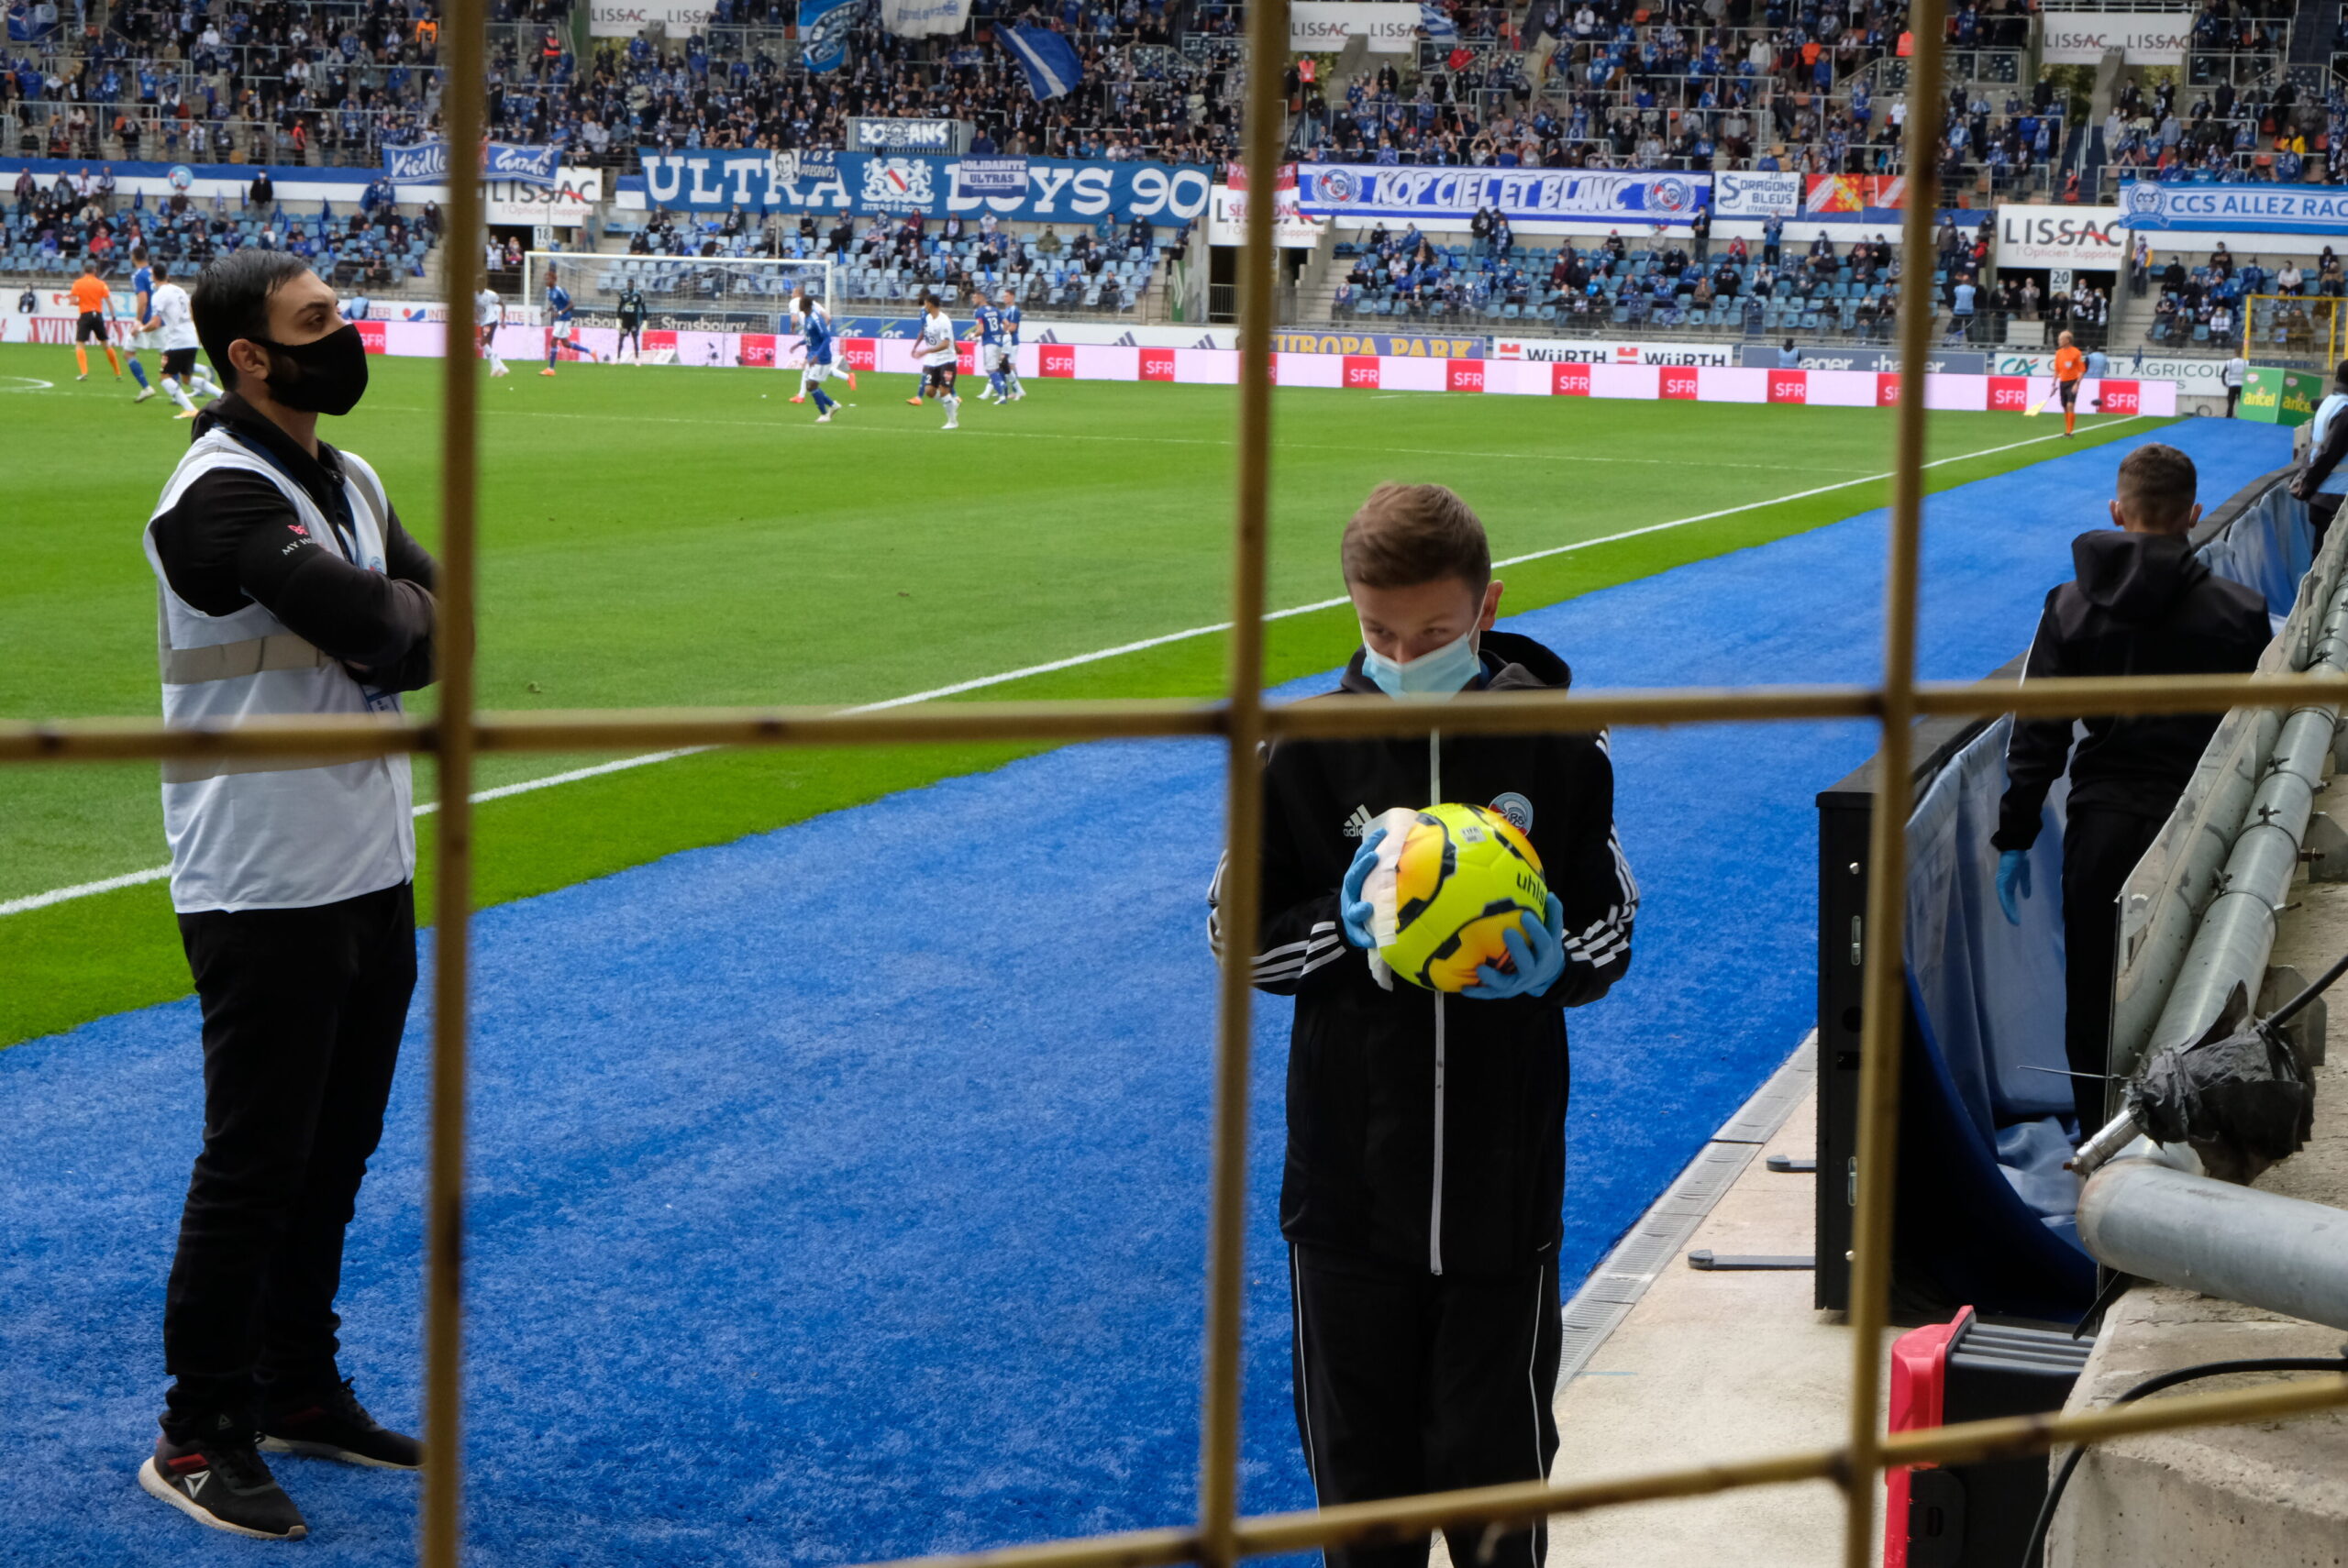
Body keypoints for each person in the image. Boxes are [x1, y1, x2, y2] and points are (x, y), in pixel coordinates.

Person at [1208, 482, 1635, 1568]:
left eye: (1435, 633)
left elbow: (1612, 928)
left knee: (1498, 1502)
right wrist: (1352, 931)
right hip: (1347, 1206)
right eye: (1378, 632)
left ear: (1486, 607)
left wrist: (1551, 964)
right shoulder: (1300, 748)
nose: (1404, 652)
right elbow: (1236, 936)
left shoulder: (1559, 744)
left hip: (1504, 1199)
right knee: (1363, 1510)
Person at [138, 248, 437, 1541]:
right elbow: (382, 628)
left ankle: (299, 1387)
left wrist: (400, 613)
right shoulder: (212, 494)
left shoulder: (351, 477)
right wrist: (395, 613)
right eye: (318, 321)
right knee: (254, 1163)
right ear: (249, 354)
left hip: (370, 857)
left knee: (339, 1152)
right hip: (262, 874)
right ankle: (201, 1428)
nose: (347, 333)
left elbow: (437, 630)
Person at [1991, 445, 2268, 1136]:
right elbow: (2250, 736)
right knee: (2201, 980)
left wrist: (2014, 836)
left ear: (2118, 513)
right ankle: (2188, 1135)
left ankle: (2099, 1140)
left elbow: (2039, 736)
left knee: (2092, 995)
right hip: (2202, 822)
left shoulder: (2069, 606)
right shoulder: (2240, 611)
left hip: (2105, 830)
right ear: (2194, 516)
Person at [143, 260, 225, 417]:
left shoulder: (159, 295)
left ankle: (190, 409)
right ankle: (223, 396)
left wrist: (140, 329)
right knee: (186, 379)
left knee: (165, 377)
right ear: (167, 275)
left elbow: (155, 323)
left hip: (177, 341)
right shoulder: (179, 290)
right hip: (190, 336)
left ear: (153, 277)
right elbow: (191, 311)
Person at [2291, 359, 2348, 555]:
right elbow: (2329, 453)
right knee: (2331, 563)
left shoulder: (2329, 403)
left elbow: (2313, 449)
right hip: (2337, 497)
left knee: (2321, 558)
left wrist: (2304, 481)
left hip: (2323, 496)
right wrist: (2308, 485)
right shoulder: (2346, 410)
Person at [789, 287, 842, 422]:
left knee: (811, 386)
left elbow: (827, 338)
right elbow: (810, 338)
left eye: (800, 303)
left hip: (822, 358)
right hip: (813, 355)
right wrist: (798, 344)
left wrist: (817, 355)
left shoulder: (815, 320)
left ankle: (825, 414)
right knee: (810, 384)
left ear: (804, 305)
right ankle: (833, 406)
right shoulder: (806, 318)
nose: (798, 304)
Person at [71, 258, 124, 382]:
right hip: (98, 316)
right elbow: (109, 302)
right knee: (105, 344)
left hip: (85, 315)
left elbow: (73, 301)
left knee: (80, 344)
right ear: (95, 271)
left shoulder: (78, 283)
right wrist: (114, 319)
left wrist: (81, 302)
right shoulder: (101, 284)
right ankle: (118, 373)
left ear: (84, 271)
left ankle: (84, 372)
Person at [912, 293, 961, 429]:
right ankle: (952, 403)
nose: (924, 306)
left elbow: (945, 343)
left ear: (931, 304)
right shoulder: (928, 318)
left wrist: (925, 351)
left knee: (944, 391)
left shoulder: (944, 320)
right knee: (929, 391)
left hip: (947, 360)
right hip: (931, 360)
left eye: (926, 303)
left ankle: (952, 421)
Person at [125, 246, 158, 402]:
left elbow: (143, 300)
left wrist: (138, 321)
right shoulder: (155, 272)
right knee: (169, 355)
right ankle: (177, 394)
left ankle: (146, 387)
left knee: (128, 353)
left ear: (133, 257)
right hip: (161, 319)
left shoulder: (138, 275)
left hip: (147, 320)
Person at [969, 284, 1009, 403]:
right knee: (994, 368)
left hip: (989, 343)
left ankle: (1001, 392)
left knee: (990, 369)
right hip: (998, 343)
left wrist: (972, 335)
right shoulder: (995, 310)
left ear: (981, 297)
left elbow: (980, 330)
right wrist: (1000, 334)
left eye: (975, 296)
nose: (973, 298)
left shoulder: (979, 312)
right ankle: (1001, 392)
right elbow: (1006, 324)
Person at [2053, 329, 2087, 436]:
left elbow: (2082, 370)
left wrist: (2077, 384)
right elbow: (2057, 370)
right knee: (2064, 406)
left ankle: (2069, 431)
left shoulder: (2076, 352)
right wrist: (2053, 383)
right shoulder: (2058, 353)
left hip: (2072, 382)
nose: (2059, 341)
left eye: (2061, 339)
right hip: (2063, 382)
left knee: (2070, 405)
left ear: (2067, 340)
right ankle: (2067, 429)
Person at [996, 286, 1024, 403]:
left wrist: (1000, 333)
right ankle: (1010, 390)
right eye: (1003, 296)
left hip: (1012, 341)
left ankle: (1017, 391)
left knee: (1010, 366)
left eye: (1006, 296)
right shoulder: (1006, 310)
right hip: (1006, 340)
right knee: (1004, 365)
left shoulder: (1014, 310)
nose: (1004, 298)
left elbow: (1012, 327)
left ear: (1012, 297)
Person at [475, 284, 508, 378]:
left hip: (491, 321)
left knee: (483, 342)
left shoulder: (490, 294)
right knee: (488, 346)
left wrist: (503, 320)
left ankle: (494, 367)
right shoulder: (474, 295)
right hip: (483, 323)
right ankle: (502, 367)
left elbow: (502, 303)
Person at [615, 279, 648, 364]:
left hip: (634, 321)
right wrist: (618, 320)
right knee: (621, 339)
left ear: (633, 285)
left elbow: (643, 308)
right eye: (628, 284)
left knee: (635, 340)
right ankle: (618, 358)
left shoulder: (638, 295)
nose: (629, 286)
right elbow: (619, 308)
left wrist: (645, 321)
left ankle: (636, 359)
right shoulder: (623, 295)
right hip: (625, 321)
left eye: (630, 284)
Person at [2221, 353, 2246, 418]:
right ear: (2241, 354)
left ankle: (2229, 416)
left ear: (2234, 354)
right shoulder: (2245, 362)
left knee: (2231, 403)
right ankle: (2242, 415)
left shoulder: (2230, 362)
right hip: (2241, 384)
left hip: (2232, 384)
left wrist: (2224, 382)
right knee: (2241, 403)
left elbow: (2223, 373)